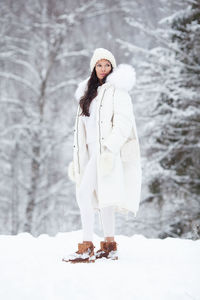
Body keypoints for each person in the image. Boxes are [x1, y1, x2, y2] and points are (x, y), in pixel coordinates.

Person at [63, 48, 142, 263]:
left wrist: (108, 149)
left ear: (112, 67)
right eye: (99, 65)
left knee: (83, 194)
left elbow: (123, 124)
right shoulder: (88, 94)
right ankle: (109, 246)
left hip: (105, 152)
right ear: (93, 67)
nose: (103, 68)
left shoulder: (118, 91)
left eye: (107, 65)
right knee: (104, 198)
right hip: (88, 152)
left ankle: (86, 246)